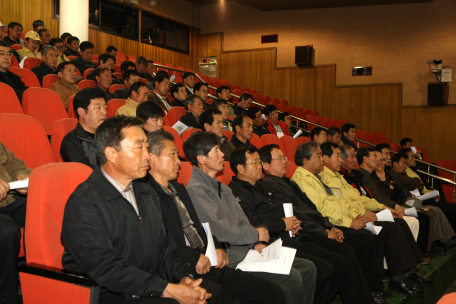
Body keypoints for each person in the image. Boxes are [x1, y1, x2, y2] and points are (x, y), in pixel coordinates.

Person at [61, 115, 216, 304]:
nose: (147, 155)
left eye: (147, 147)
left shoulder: (146, 192)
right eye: (139, 147)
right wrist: (168, 290)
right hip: (109, 294)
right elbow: (106, 268)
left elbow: (165, 251)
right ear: (111, 154)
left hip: (148, 284)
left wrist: (183, 279)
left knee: (211, 292)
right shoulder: (84, 203)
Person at [144, 131, 286, 304]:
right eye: (172, 154)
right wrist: (195, 257)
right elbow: (165, 240)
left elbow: (200, 226)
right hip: (187, 264)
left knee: (272, 291)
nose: (177, 161)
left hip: (209, 258)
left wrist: (217, 246)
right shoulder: (148, 195)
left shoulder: (179, 189)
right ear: (151, 158)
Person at [184, 131, 317, 304]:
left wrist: (256, 242)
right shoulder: (195, 190)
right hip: (230, 256)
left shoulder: (223, 189)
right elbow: (219, 229)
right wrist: (255, 236)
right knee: (292, 278)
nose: (222, 154)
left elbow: (242, 221)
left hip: (246, 250)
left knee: (308, 268)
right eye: (216, 151)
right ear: (201, 159)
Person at [292, 142, 429, 296]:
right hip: (333, 223)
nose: (340, 159)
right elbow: (326, 208)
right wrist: (355, 218)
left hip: (346, 217)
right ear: (306, 161)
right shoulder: (309, 179)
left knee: (395, 225)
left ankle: (394, 278)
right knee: (376, 234)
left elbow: (356, 198)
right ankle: (384, 284)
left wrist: (380, 208)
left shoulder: (332, 176)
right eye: (337, 156)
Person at [258, 144, 390, 303]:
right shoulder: (270, 184)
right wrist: (325, 232)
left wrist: (328, 226)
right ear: (265, 165)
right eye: (279, 158)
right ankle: (362, 298)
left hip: (316, 227)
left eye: (284, 157)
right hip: (305, 234)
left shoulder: (286, 181)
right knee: (346, 250)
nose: (284, 161)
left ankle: (370, 292)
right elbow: (296, 214)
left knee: (363, 239)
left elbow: (313, 209)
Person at [340, 144, 431, 256]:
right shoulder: (360, 175)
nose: (380, 162)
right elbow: (374, 197)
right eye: (377, 159)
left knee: (420, 217)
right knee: (402, 223)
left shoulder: (370, 174)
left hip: (377, 207)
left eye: (381, 160)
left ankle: (416, 256)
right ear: (365, 159)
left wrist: (383, 181)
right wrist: (390, 205)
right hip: (365, 211)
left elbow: (384, 195)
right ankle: (412, 258)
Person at [384, 152, 456, 254]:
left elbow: (416, 182)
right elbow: (411, 183)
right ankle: (432, 245)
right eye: (403, 163)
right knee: (431, 212)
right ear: (395, 164)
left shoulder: (399, 174)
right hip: (403, 202)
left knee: (438, 210)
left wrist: (416, 183)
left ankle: (446, 241)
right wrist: (416, 183)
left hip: (409, 199)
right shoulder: (394, 175)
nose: (405, 166)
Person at [0, 141, 31, 304]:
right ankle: (7, 298)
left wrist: (22, 176)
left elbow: (14, 164)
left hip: (9, 199)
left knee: (48, 208)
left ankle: (46, 283)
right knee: (6, 230)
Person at [60, 88, 106, 168]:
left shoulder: (111, 136)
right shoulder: (71, 141)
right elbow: (83, 171)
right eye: (98, 108)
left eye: (105, 108)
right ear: (81, 112)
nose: (104, 112)